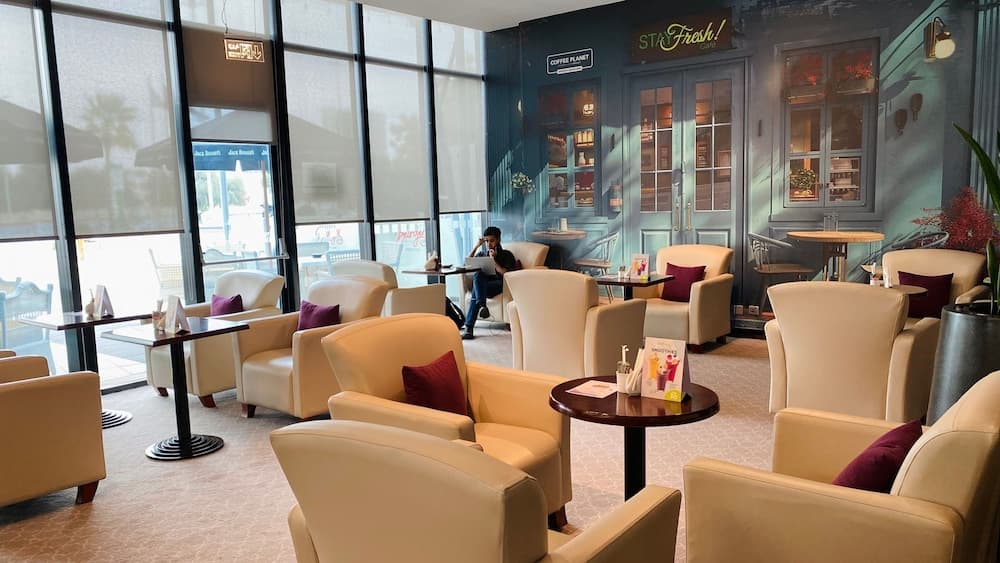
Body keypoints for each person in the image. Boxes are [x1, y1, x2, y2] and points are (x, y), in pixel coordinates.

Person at [462, 226, 516, 340]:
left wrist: (493, 260)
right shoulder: (482, 254)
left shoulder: (507, 254)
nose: (489, 244)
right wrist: (476, 246)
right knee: (478, 275)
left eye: (492, 241)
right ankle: (482, 306)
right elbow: (467, 264)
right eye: (486, 241)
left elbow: (505, 273)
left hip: (499, 285)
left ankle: (469, 328)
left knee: (476, 290)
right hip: (483, 287)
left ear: (498, 240)